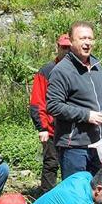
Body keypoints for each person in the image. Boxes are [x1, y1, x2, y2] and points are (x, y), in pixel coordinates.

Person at [46, 21, 102, 178]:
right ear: (71, 41)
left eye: (90, 38)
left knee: (98, 192)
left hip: (99, 142)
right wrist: (87, 115)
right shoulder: (62, 71)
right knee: (75, 192)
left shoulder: (97, 66)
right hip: (74, 146)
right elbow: (53, 105)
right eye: (82, 38)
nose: (87, 43)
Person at [29, 34, 71, 195]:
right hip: (52, 128)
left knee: (72, 164)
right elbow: (37, 102)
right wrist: (42, 128)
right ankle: (45, 198)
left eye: (69, 47)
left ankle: (69, 198)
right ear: (57, 48)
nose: (67, 51)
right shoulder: (46, 71)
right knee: (51, 163)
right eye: (64, 47)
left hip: (73, 129)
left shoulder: (80, 68)